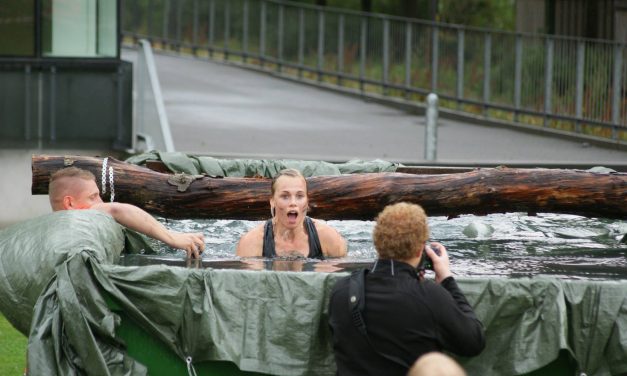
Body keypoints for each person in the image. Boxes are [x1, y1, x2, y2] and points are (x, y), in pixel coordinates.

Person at [328, 202, 485, 376]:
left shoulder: (341, 291)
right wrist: (447, 280)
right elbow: (473, 342)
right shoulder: (430, 296)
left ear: (377, 242)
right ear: (420, 250)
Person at [48, 167, 205, 258]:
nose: (100, 203)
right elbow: (117, 209)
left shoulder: (50, 230)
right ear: (69, 203)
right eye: (93, 197)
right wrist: (172, 238)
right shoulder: (77, 218)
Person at [236, 168, 346, 259]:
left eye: (299, 196)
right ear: (272, 201)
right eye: (285, 196)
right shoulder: (251, 243)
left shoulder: (329, 239)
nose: (293, 203)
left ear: (307, 201)